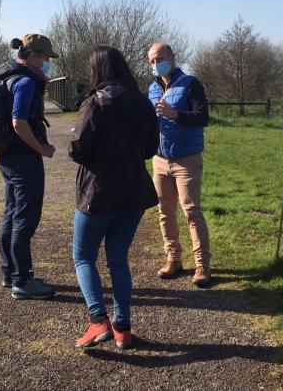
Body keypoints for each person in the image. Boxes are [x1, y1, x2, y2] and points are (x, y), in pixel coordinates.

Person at [68, 46, 159, 349]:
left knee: (83, 257)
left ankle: (98, 321)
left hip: (98, 194)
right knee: (118, 260)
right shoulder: (143, 105)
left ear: (98, 71)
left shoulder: (94, 105)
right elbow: (149, 150)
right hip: (133, 194)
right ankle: (123, 327)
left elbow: (78, 151)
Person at [0, 33, 57, 300]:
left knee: (11, 214)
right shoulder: (25, 83)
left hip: (7, 155)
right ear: (31, 56)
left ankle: (10, 273)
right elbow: (19, 122)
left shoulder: (7, 76)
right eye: (44, 58)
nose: (46, 63)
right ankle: (23, 280)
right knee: (24, 220)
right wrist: (41, 148)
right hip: (24, 159)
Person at [147, 42, 212, 287]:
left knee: (191, 211)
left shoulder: (191, 84)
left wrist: (176, 114)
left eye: (161, 58)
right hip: (160, 160)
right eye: (152, 61)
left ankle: (202, 265)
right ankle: (173, 259)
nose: (157, 63)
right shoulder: (152, 89)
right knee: (165, 212)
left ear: (173, 57)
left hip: (187, 159)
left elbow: (203, 117)